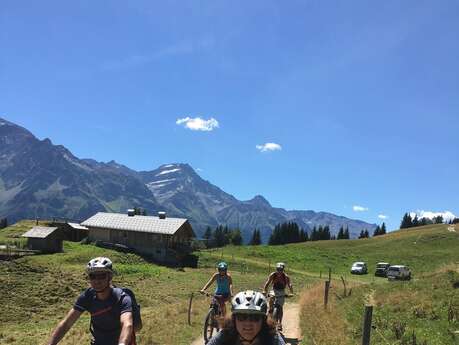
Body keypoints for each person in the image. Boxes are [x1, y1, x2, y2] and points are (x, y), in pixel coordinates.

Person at [47, 257, 136, 345]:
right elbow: (66, 324)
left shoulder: (122, 298)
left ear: (110, 277)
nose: (97, 281)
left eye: (101, 276)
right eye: (92, 276)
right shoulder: (88, 296)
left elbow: (127, 324)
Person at [206, 290, 286, 345]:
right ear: (234, 320)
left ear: (263, 321)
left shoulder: (272, 338)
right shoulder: (225, 336)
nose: (248, 324)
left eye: (255, 318)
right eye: (241, 317)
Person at [263, 262, 293, 331]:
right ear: (276, 269)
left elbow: (290, 284)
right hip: (274, 290)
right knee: (271, 297)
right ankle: (270, 309)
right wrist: (264, 290)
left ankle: (279, 323)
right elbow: (267, 283)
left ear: (283, 270)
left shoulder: (286, 277)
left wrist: (291, 292)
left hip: (282, 291)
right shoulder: (273, 275)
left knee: (280, 307)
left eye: (281, 269)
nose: (279, 271)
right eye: (278, 269)